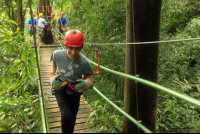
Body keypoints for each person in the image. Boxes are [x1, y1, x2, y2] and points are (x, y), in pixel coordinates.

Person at [49, 29, 94, 133]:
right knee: (66, 115)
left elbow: (88, 78)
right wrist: (52, 77)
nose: (73, 52)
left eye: (77, 49)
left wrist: (87, 83)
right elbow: (54, 65)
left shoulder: (84, 62)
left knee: (73, 116)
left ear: (81, 48)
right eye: (70, 48)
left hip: (75, 90)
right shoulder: (57, 54)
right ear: (65, 46)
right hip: (60, 87)